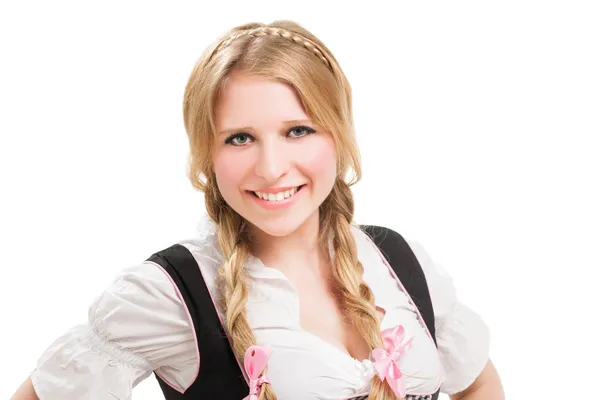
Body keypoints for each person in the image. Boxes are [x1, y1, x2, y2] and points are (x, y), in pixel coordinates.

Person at [11, 20, 504, 400]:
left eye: (298, 131)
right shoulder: (170, 293)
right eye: (240, 138)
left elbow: (478, 384)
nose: (271, 168)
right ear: (208, 153)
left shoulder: (400, 261)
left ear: (339, 134)